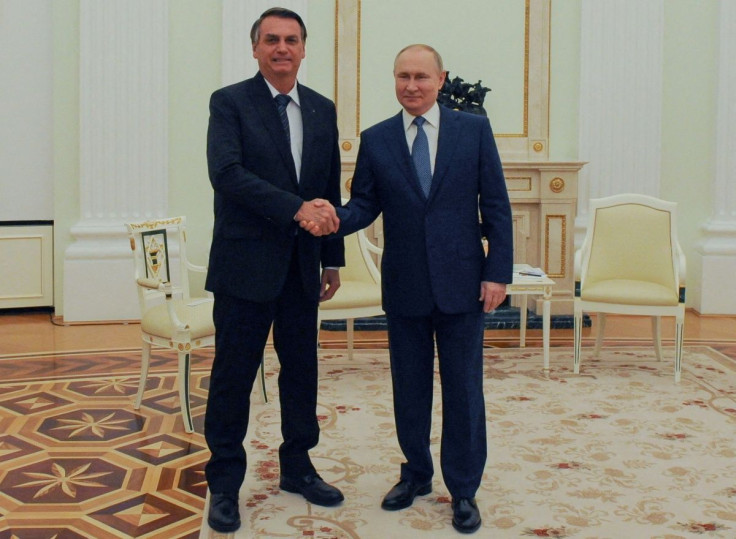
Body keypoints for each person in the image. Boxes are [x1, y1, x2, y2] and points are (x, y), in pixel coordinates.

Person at [302, 44, 513, 534]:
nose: (411, 85)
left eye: (420, 76)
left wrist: (496, 273)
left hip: (464, 285)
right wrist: (330, 218)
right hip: (406, 286)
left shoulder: (473, 131)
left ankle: (463, 489)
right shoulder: (376, 140)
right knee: (410, 389)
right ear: (394, 80)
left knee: (463, 390)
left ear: (440, 79)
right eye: (402, 76)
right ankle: (416, 473)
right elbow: (363, 206)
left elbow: (497, 207)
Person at [203, 7, 345, 534]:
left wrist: (332, 256)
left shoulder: (323, 109)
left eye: (291, 40)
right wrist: (295, 208)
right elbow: (227, 174)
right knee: (233, 376)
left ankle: (298, 468)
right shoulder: (230, 102)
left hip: (303, 266)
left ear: (304, 49)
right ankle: (223, 483)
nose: (281, 48)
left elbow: (328, 182)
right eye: (271, 40)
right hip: (245, 265)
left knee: (302, 372)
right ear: (256, 49)